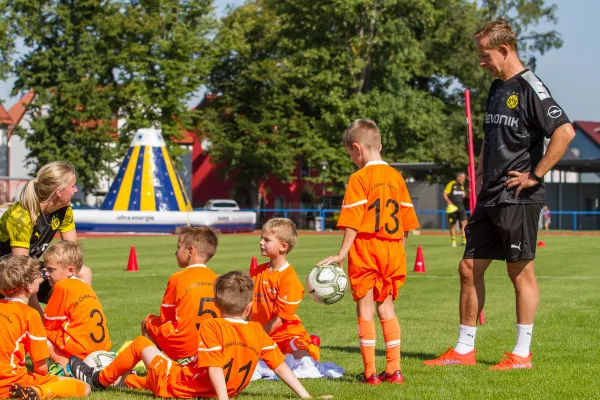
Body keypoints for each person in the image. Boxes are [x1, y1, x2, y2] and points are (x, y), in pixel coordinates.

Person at [424, 20, 575, 370]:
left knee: (519, 273)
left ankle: (521, 355)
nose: (481, 62)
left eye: (484, 55)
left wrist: (535, 176)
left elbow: (564, 133)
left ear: (504, 50)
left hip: (517, 196)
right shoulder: (496, 87)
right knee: (468, 268)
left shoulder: (531, 87)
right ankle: (464, 350)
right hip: (489, 196)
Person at [68, 271, 321, 400]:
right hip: (200, 387)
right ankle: (122, 381)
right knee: (147, 380)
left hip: (181, 384)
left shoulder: (213, 326)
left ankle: (99, 379)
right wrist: (306, 396)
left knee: (141, 343)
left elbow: (213, 369)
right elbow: (280, 366)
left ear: (217, 307)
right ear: (248, 308)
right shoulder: (257, 330)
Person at [318, 119, 419, 385]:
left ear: (357, 148)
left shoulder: (359, 178)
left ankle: (370, 373)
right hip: (394, 249)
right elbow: (407, 225)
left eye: (351, 154)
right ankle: (394, 371)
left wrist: (341, 254)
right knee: (387, 309)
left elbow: (352, 221)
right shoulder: (397, 177)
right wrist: (398, 251)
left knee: (365, 311)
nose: (352, 159)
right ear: (380, 145)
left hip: (366, 248)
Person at [0, 161, 92, 313]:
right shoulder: (21, 216)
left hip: (26, 269)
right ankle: (42, 327)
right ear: (59, 192)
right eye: (73, 186)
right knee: (31, 280)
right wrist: (43, 321)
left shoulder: (64, 210)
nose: (75, 190)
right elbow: (20, 270)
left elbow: (72, 255)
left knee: (82, 272)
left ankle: (75, 323)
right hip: (8, 272)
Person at [0, 255, 90, 399]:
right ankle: (37, 393)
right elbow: (41, 368)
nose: (42, 277)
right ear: (29, 287)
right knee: (83, 387)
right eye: (38, 275)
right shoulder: (30, 314)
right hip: (10, 383)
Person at [141, 226, 220, 363]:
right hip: (210, 347)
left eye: (178, 247)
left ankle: (158, 366)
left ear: (190, 250)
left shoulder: (177, 278)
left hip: (183, 348)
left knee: (147, 321)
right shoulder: (217, 279)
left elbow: (166, 318)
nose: (176, 253)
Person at [250, 218, 319, 361]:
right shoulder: (257, 271)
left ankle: (312, 345)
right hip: (262, 334)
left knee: (304, 363)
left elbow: (280, 320)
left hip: (286, 334)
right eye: (261, 238)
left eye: (267, 240)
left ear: (283, 247)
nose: (261, 242)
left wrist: (258, 337)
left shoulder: (289, 279)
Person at [42, 241, 112, 374]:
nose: (46, 274)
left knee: (36, 328)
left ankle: (61, 362)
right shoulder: (84, 285)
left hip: (79, 352)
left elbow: (47, 324)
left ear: (70, 271)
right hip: (102, 350)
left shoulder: (62, 287)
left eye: (51, 270)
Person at [444, 172, 468, 247]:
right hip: (452, 208)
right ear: (458, 177)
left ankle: (464, 240)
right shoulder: (451, 184)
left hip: (461, 207)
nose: (463, 180)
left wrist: (467, 193)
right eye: (462, 178)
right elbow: (444, 194)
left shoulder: (462, 185)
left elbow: (463, 195)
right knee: (453, 224)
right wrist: (448, 202)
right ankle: (453, 241)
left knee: (464, 223)